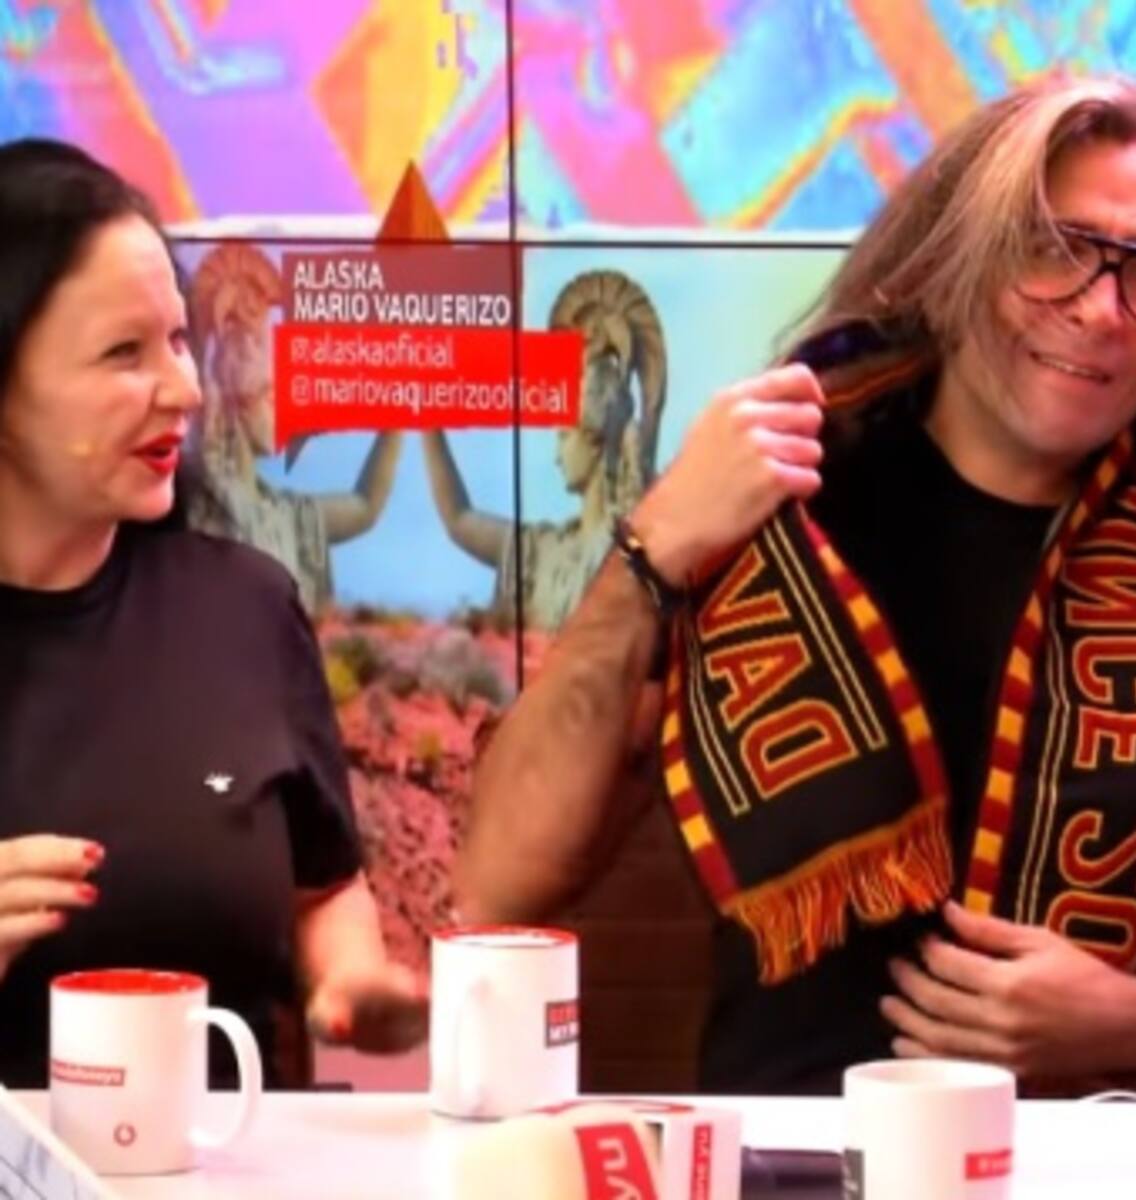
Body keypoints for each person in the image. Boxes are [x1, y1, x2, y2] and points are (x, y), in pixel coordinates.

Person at [456, 75, 1136, 1104]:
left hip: (1107, 1155)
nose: (1098, 308)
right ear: (962, 256)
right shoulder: (777, 506)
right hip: (795, 1146)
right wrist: (652, 549)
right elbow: (498, 885)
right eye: (1053, 247)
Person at [0, 138, 425, 1088]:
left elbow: (324, 886)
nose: (188, 390)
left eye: (179, 340)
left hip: (228, 1152)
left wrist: (350, 977)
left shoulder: (245, 609)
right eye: (124, 354)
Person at [423, 269, 667, 629]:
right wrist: (426, 414)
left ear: (595, 438)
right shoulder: (542, 551)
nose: (556, 456)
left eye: (564, 437)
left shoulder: (628, 549)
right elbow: (458, 520)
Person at [186, 241, 402, 614]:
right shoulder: (200, 504)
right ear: (234, 399)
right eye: (272, 395)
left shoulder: (286, 513)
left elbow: (365, 507)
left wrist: (399, 409)